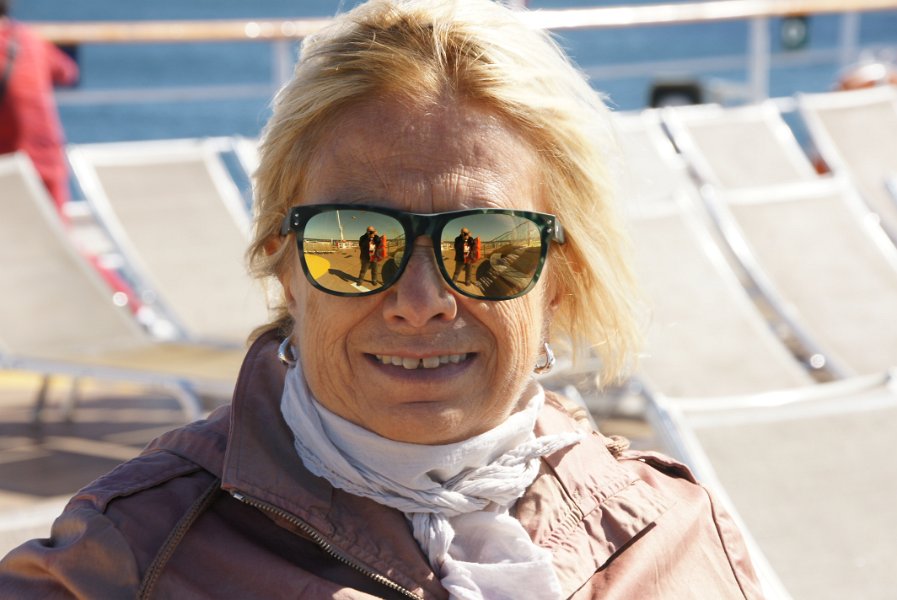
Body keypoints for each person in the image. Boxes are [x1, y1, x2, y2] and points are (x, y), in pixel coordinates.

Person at [0, 0, 764, 598]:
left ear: (558, 276)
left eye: (485, 245)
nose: (420, 301)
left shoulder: (664, 529)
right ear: (284, 264)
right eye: (355, 240)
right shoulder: (133, 559)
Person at [0, 0, 79, 211]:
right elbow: (68, 72)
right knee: (57, 227)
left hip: (9, 162)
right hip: (48, 156)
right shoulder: (28, 38)